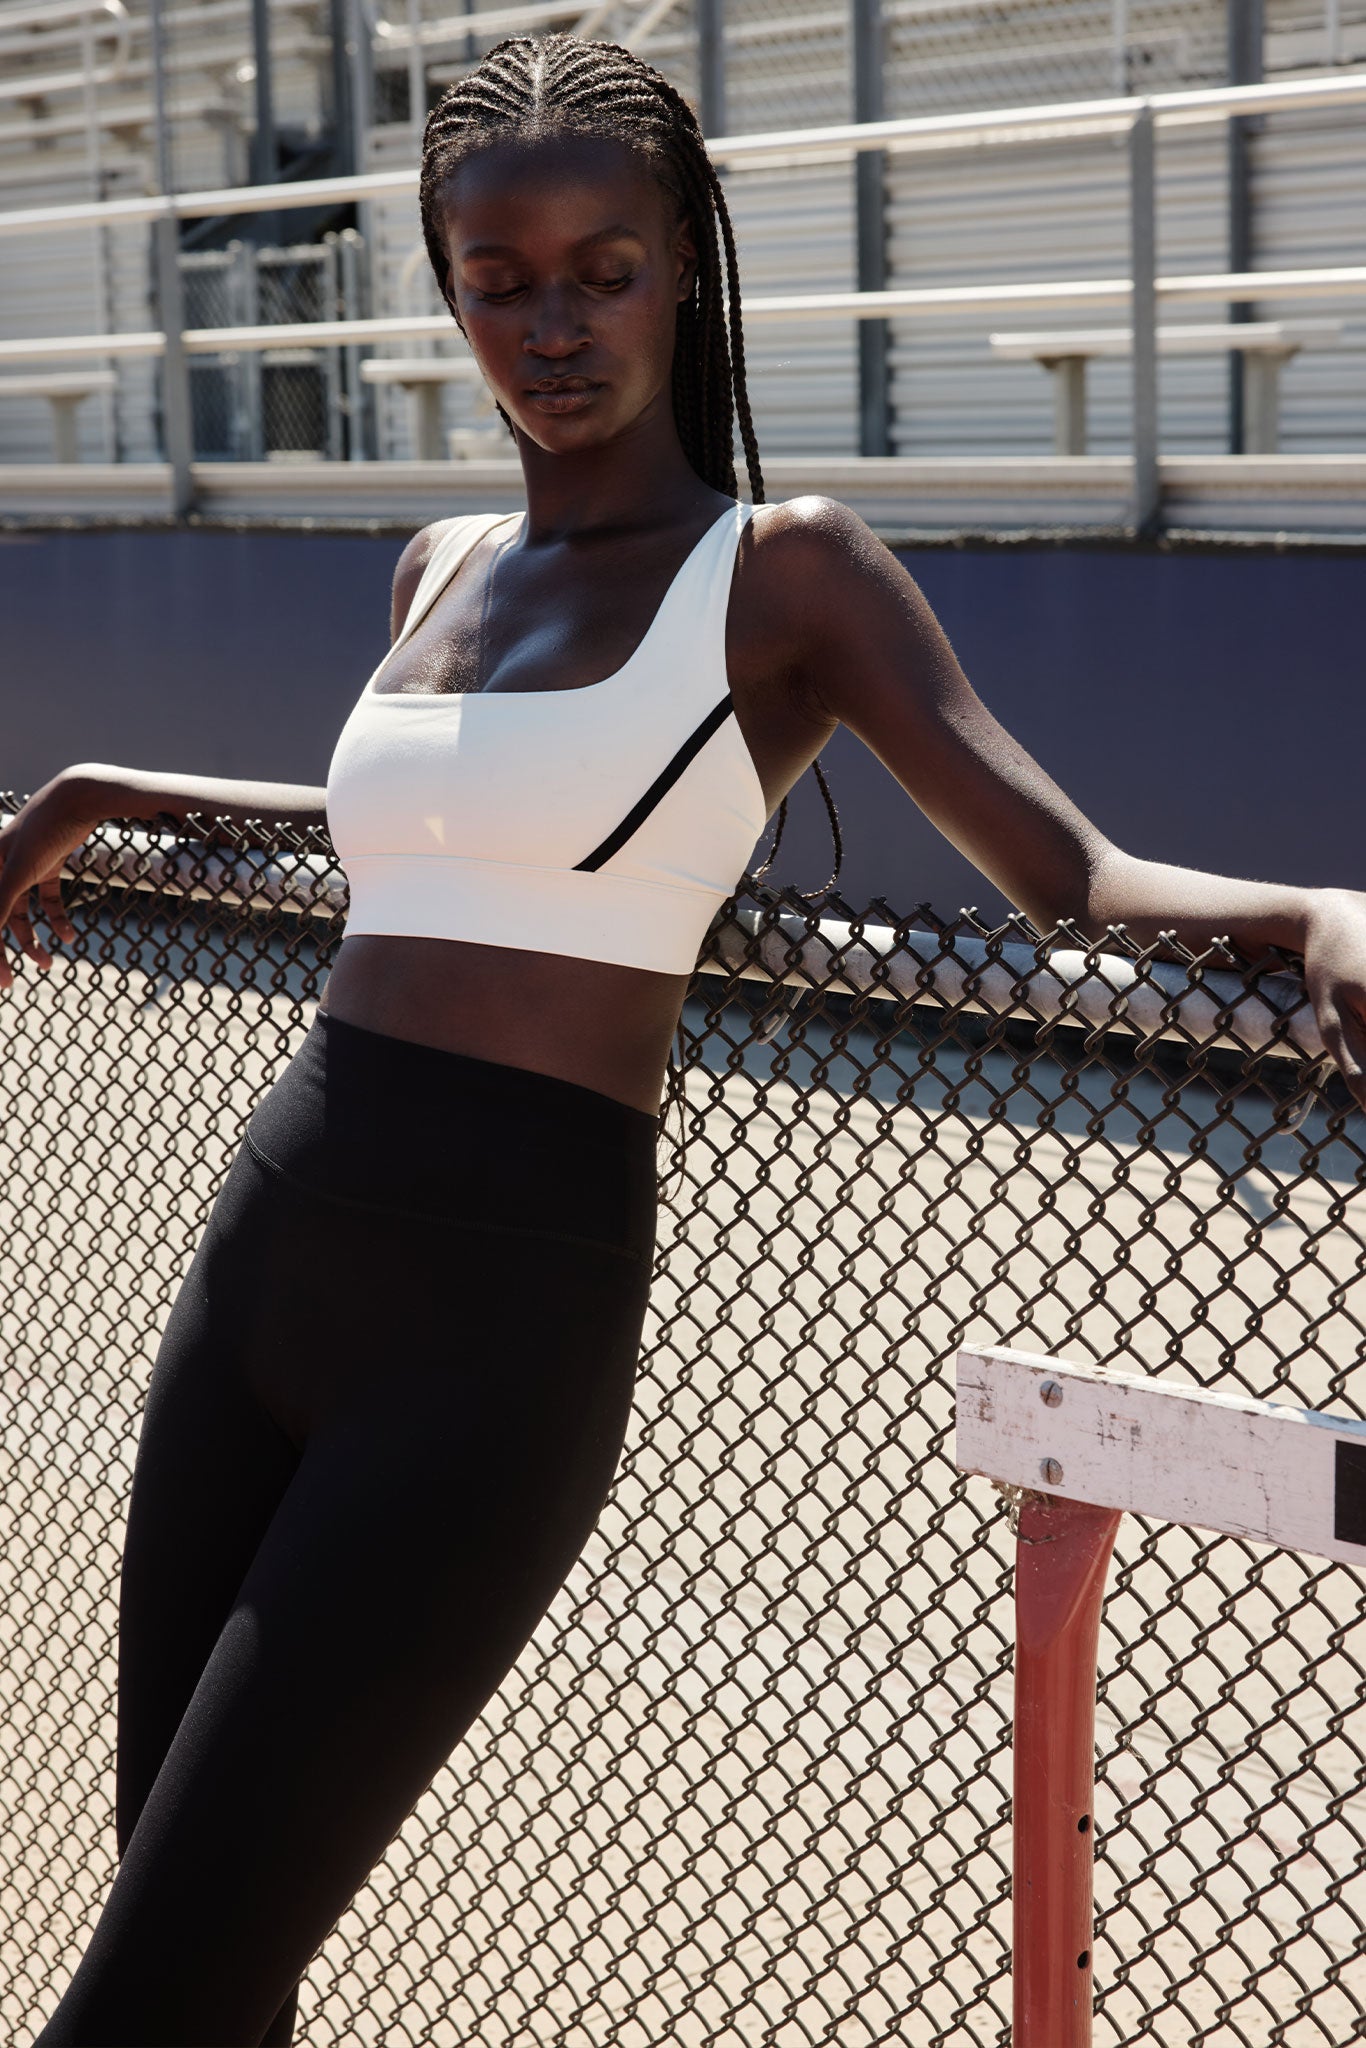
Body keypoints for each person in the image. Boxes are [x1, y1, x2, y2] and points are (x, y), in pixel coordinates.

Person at [4, 30, 1365, 2045]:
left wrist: (1316, 908)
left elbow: (1058, 868)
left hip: (493, 1323)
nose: (548, 323)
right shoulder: (441, 562)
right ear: (445, 288)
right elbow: (443, 830)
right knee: (200, 1942)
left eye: (601, 268)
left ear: (681, 272)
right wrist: (98, 791)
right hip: (269, 1247)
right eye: (496, 278)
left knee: (147, 1996)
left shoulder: (784, 574)